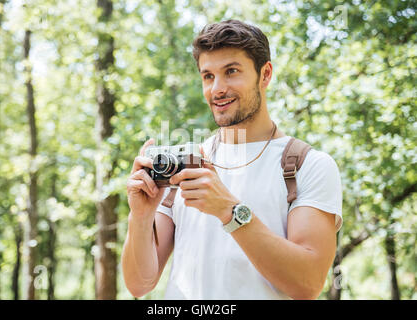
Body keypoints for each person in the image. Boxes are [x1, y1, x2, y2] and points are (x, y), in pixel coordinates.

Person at [122, 19, 342, 300]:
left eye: (231, 72)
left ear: (265, 75)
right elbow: (139, 284)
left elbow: (308, 283)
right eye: (208, 76)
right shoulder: (187, 163)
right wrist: (140, 218)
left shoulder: (308, 165)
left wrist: (230, 211)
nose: (217, 89)